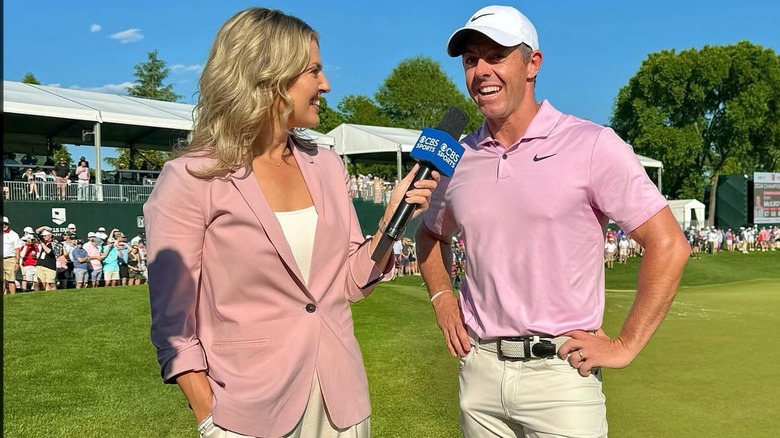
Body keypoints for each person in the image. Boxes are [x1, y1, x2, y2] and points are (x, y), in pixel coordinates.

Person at [143, 8, 439, 438]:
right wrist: (209, 417)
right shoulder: (191, 178)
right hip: (247, 413)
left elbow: (348, 284)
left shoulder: (327, 166)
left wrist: (391, 225)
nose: (326, 84)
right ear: (268, 76)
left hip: (343, 406)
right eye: (314, 70)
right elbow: (173, 326)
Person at [415, 6, 691, 437]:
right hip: (480, 374)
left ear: (533, 63)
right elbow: (430, 233)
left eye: (496, 55)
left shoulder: (592, 144)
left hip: (561, 376)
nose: (481, 71)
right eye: (471, 60)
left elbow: (669, 244)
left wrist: (626, 345)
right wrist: (442, 299)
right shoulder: (459, 157)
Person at [3, 216, 23, 295]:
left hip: (10, 259)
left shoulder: (14, 235)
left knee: (11, 280)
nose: (4, 225)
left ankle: (13, 297)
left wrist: (17, 262)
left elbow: (17, 250)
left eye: (6, 224)